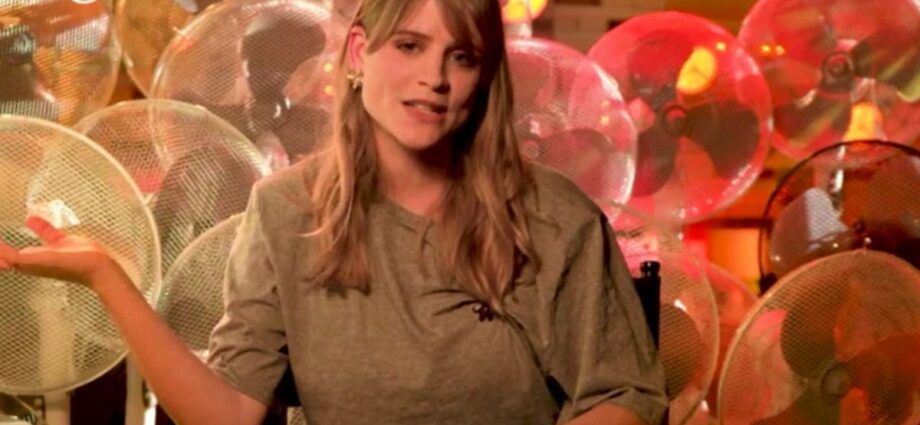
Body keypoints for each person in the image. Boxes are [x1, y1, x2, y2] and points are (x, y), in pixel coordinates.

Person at [0, 0, 667, 424]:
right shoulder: (285, 211)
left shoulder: (551, 214)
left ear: (484, 75)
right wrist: (108, 279)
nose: (435, 78)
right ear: (356, 54)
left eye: (461, 57)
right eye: (409, 46)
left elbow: (622, 395)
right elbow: (227, 412)